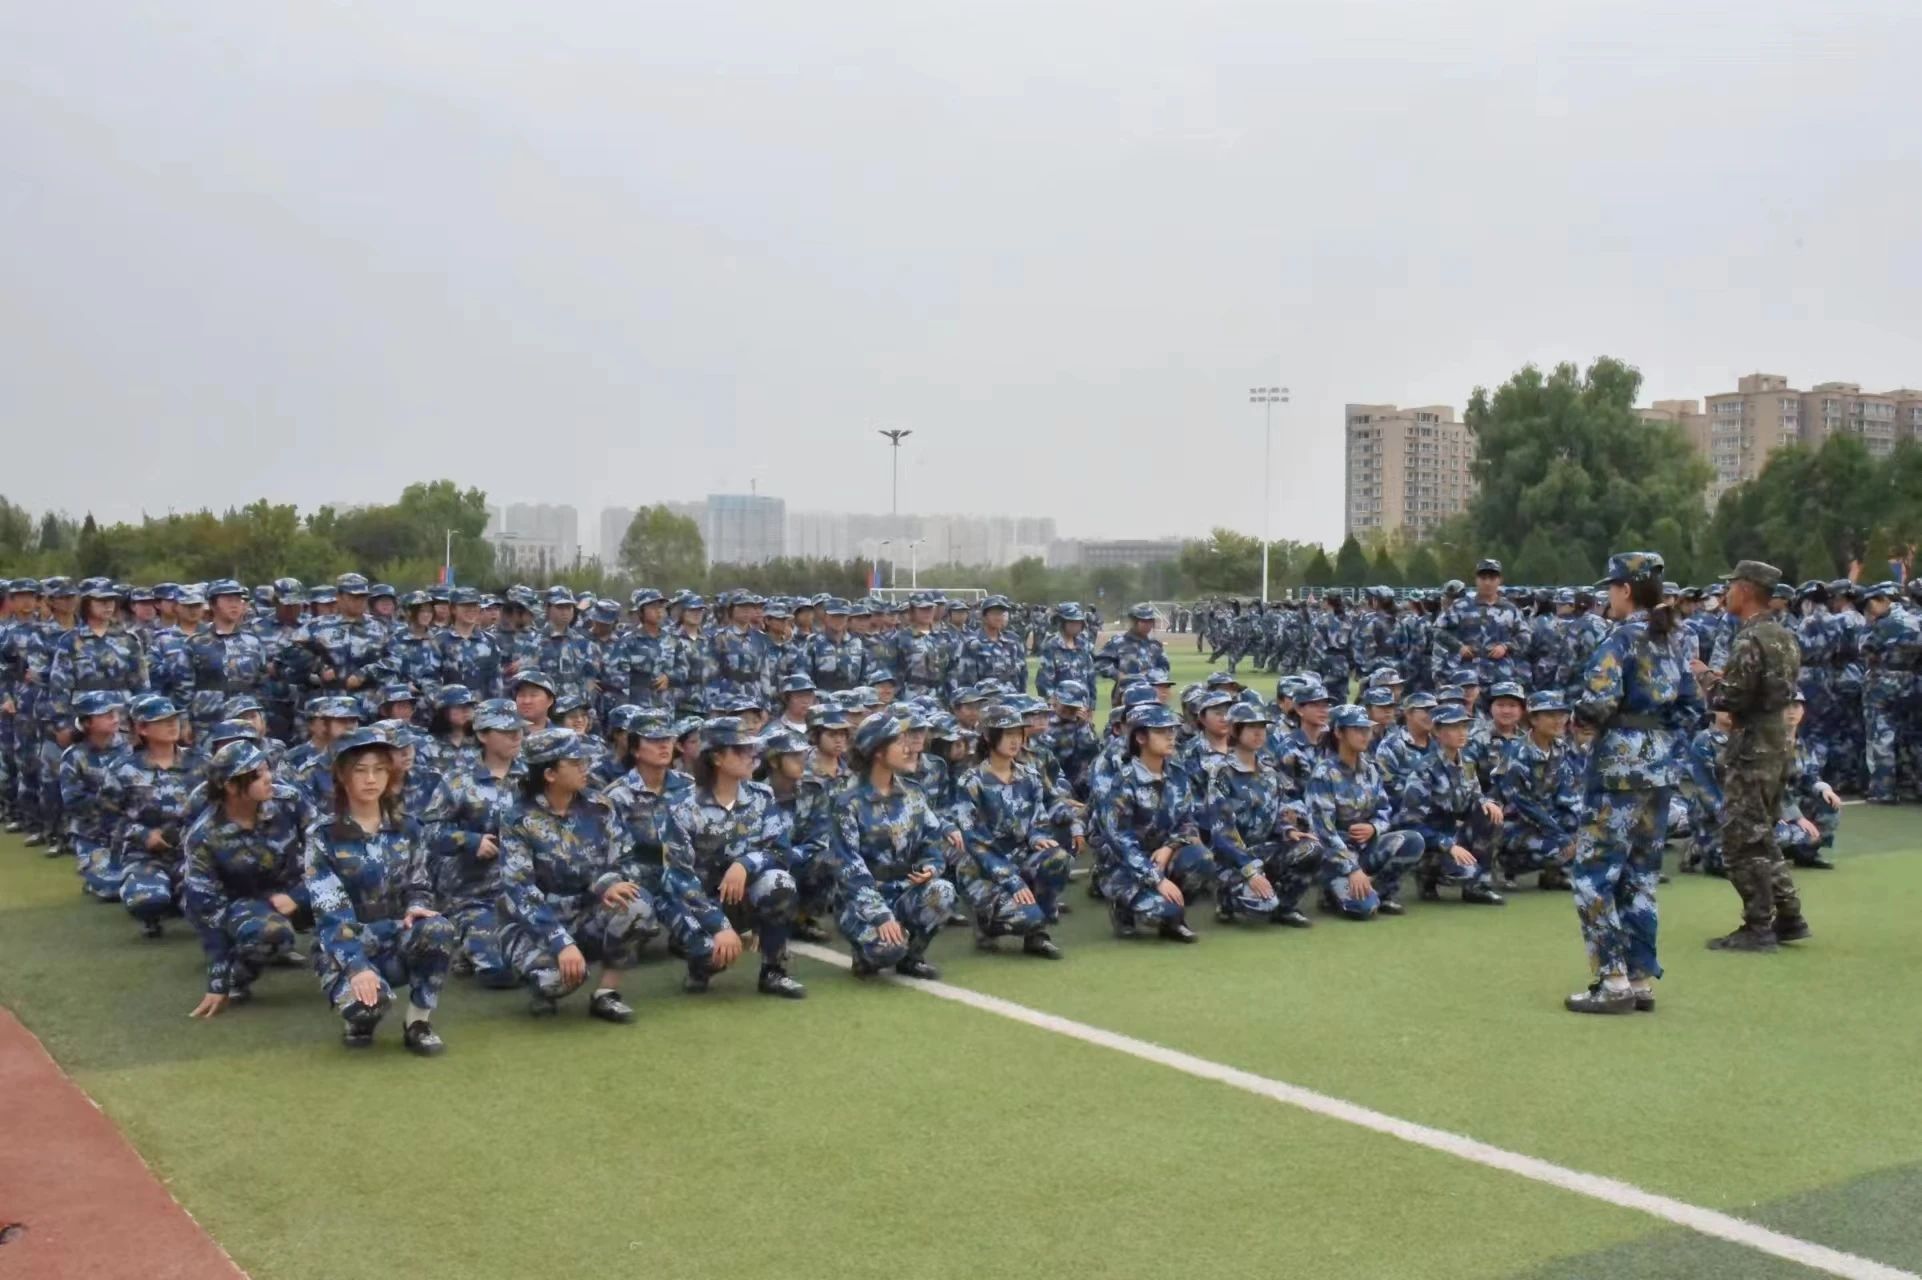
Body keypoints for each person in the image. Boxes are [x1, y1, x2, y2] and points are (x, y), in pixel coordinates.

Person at [1564, 552, 1701, 1014]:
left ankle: (1613, 979)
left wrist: (1584, 723)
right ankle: (1640, 979)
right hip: (1659, 766)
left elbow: (1596, 702)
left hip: (1618, 767)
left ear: (1625, 589)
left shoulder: (1620, 639)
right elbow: (1691, 706)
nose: (1609, 596)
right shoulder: (1676, 639)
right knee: (1640, 876)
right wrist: (1657, 736)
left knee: (1594, 875)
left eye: (1611, 587)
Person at [495, 727, 652, 1021]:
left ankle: (606, 993)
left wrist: (608, 884)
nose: (585, 768)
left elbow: (627, 860)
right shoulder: (518, 819)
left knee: (636, 904)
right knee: (557, 980)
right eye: (575, 763)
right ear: (550, 774)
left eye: (585, 761)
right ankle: (542, 984)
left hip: (586, 912)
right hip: (537, 924)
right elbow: (521, 891)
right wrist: (560, 941)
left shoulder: (600, 807)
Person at [660, 718, 806, 998]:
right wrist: (719, 925)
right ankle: (700, 966)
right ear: (716, 757)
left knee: (780, 882)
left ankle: (774, 969)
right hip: (700, 902)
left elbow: (780, 852)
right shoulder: (683, 807)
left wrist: (745, 863)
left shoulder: (762, 796)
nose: (750, 756)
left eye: (750, 749)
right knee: (712, 954)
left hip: (744, 895)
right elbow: (680, 877)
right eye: (740, 751)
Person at [1706, 559, 1809, 953]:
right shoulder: (1784, 636)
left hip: (1751, 747)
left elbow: (1732, 698)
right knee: (1762, 832)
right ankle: (1789, 914)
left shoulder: (1749, 639)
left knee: (1740, 840)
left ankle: (1758, 925)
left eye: (1731, 586)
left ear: (1746, 590)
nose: (1726, 593)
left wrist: (1706, 679)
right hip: (1777, 742)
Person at [182, 741, 318, 1015]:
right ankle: (239, 974)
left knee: (358, 885)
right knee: (271, 934)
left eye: (267, 769)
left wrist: (299, 896)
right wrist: (218, 981)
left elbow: (329, 853)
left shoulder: (289, 801)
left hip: (300, 888)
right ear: (231, 786)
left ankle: (353, 968)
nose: (269, 778)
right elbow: (209, 911)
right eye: (257, 774)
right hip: (245, 904)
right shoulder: (204, 836)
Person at [825, 712, 961, 976]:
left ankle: (913, 955)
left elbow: (931, 840)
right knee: (886, 950)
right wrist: (880, 915)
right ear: (878, 751)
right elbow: (849, 868)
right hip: (863, 898)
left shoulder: (913, 792)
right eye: (899, 742)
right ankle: (867, 952)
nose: (909, 748)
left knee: (943, 891)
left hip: (904, 889)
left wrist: (931, 867)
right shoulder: (848, 801)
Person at [420, 698, 526, 988]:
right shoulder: (459, 780)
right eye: (506, 731)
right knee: (499, 974)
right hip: (474, 893)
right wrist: (468, 840)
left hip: (524, 889)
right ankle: (466, 937)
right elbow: (429, 830)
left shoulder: (533, 776)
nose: (516, 737)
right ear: (482, 735)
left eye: (518, 730)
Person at [950, 705, 1068, 957]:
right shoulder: (971, 781)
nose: (1016, 740)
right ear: (988, 736)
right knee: (1027, 915)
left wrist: (1037, 837)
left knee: (1057, 858)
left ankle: (1037, 934)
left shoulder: (1030, 776)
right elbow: (976, 842)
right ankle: (987, 923)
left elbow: (1039, 821)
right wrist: (1013, 881)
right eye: (1007, 734)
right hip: (983, 868)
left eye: (1018, 733)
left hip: (1020, 857)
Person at [1091, 703, 1210, 943]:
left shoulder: (1177, 773)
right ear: (1141, 738)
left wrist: (1169, 848)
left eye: (1172, 730)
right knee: (1164, 909)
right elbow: (1121, 842)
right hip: (1125, 865)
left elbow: (1187, 821)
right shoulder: (1123, 782)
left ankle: (1173, 917)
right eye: (1160, 731)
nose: (1170, 736)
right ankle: (1123, 907)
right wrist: (1157, 879)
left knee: (1201, 859)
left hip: (1161, 855)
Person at [1304, 704, 1426, 918]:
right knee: (1363, 909)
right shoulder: (1324, 774)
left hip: (1365, 848)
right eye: (1357, 730)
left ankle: (1380, 892)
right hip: (1336, 856)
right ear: (1339, 732)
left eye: (1367, 729)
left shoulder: (1370, 769)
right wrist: (1351, 868)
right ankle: (1333, 891)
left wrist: (1373, 827)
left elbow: (1384, 809)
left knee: (1413, 840)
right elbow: (1324, 832)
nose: (1364, 735)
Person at [1206, 701, 1315, 927]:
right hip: (1233, 859)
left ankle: (1285, 907)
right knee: (1263, 905)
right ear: (1235, 730)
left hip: (1264, 850)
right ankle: (1227, 897)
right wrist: (1250, 870)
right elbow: (1222, 833)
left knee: (1311, 848)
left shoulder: (1269, 772)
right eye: (1251, 727)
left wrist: (1288, 830)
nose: (1258, 732)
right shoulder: (1221, 773)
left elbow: (1279, 810)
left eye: (1262, 727)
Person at [112, 695, 203, 937]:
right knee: (147, 900)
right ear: (143, 728)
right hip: (146, 856)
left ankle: (181, 898)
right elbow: (109, 818)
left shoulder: (201, 763)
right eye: (162, 721)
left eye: (174, 719)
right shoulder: (124, 769)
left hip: (193, 854)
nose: (172, 724)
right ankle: (155, 910)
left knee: (206, 901)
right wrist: (143, 834)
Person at [1492, 691, 1581, 890]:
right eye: (1550, 715)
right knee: (1559, 849)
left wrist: (1584, 829)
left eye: (1561, 715)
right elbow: (1522, 804)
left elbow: (1568, 794)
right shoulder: (1517, 752)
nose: (1558, 721)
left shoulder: (1560, 748)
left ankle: (1554, 874)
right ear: (1533, 719)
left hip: (1546, 820)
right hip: (1514, 825)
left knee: (1587, 838)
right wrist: (1560, 836)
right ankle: (1504, 864)